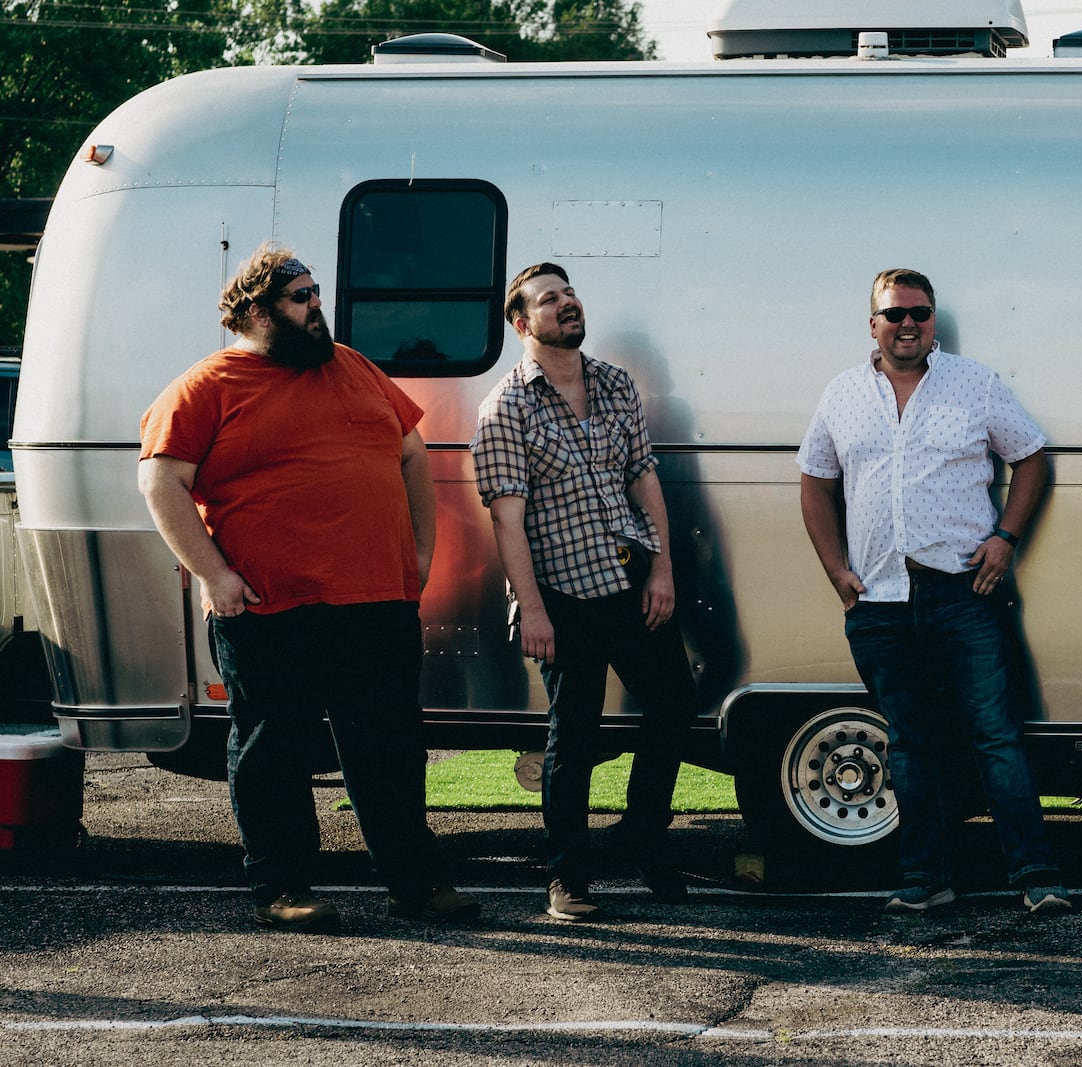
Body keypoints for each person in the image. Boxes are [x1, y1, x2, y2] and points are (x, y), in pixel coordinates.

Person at [138, 241, 479, 933]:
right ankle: (282, 886)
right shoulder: (207, 385)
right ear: (259, 312)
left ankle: (414, 885)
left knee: (388, 746)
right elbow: (161, 481)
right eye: (303, 298)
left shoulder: (351, 367)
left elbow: (412, 452)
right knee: (273, 748)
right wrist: (215, 574)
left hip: (375, 602)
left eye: (317, 293)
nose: (318, 306)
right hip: (268, 607)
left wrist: (419, 550)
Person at [797, 268, 1070, 915]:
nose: (908, 323)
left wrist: (1005, 536)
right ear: (874, 324)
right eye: (894, 314)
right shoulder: (841, 394)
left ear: (933, 319)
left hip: (962, 594)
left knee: (995, 736)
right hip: (879, 604)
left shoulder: (973, 382)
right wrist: (837, 569)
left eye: (919, 312)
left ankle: (1037, 875)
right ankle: (927, 879)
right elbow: (814, 482)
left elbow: (1031, 457)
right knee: (911, 745)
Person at [471, 262, 696, 922]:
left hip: (628, 577)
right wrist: (533, 610)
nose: (567, 304)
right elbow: (506, 519)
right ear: (521, 323)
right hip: (563, 594)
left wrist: (661, 570)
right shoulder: (506, 407)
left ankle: (644, 839)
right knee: (574, 734)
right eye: (550, 299)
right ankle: (567, 879)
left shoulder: (614, 384)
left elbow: (645, 479)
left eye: (569, 294)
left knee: (675, 701)